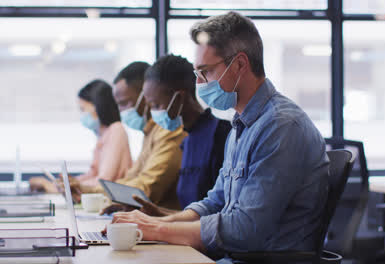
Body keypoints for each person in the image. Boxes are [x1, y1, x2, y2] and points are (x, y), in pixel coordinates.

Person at [108, 11, 330, 263]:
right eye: (197, 74)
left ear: (239, 64)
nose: (200, 83)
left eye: (206, 72)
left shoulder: (281, 127)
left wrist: (157, 229)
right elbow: (215, 201)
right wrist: (156, 221)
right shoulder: (240, 125)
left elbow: (246, 229)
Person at [129, 54, 231, 216]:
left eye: (156, 105)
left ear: (180, 97)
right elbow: (190, 213)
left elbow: (219, 214)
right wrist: (152, 214)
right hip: (188, 236)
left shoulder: (221, 135)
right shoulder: (187, 140)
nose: (153, 112)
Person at [83, 62, 187, 211]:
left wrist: (89, 191)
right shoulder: (150, 131)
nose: (121, 111)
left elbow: (145, 188)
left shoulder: (169, 130)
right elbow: (132, 178)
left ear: (145, 97)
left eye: (124, 103)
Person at [29, 79, 132, 193]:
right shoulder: (102, 134)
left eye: (83, 109)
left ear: (98, 106)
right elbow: (93, 174)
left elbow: (104, 181)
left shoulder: (116, 130)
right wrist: (69, 183)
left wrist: (58, 187)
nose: (82, 115)